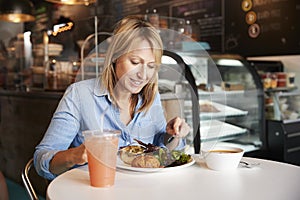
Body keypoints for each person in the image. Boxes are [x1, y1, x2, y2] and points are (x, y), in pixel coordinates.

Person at [34, 16, 190, 180]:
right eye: (135, 62)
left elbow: (161, 151)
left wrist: (172, 135)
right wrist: (74, 155)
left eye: (151, 66)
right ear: (116, 56)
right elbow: (41, 160)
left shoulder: (151, 98)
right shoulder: (79, 95)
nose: (143, 75)